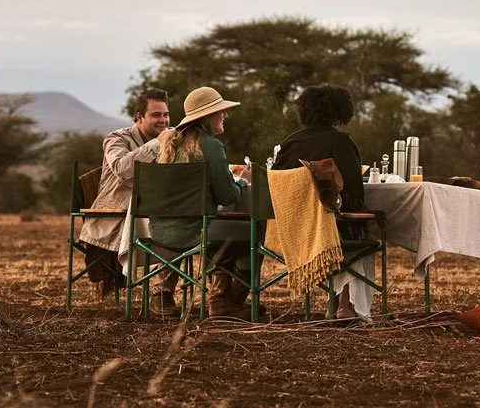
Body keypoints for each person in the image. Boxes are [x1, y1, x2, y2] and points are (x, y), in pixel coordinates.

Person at [272, 84, 369, 320]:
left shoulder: (289, 143)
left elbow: (276, 185)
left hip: (293, 230)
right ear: (339, 111)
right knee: (356, 231)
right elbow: (355, 189)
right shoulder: (340, 142)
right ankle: (347, 306)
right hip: (329, 230)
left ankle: (333, 303)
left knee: (338, 224)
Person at [154, 86, 252, 318]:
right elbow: (227, 197)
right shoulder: (211, 146)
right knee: (250, 232)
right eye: (221, 111)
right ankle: (225, 300)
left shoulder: (171, 145)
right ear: (207, 117)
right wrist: (242, 182)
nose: (225, 115)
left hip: (160, 234)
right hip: (197, 233)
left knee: (226, 232)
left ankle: (164, 295)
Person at [79, 88, 175, 310]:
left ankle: (162, 294)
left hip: (156, 211)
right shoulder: (116, 139)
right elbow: (122, 169)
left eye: (166, 115)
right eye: (156, 115)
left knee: (180, 224)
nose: (163, 120)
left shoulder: (171, 139)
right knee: (171, 224)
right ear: (139, 117)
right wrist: (159, 143)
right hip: (117, 214)